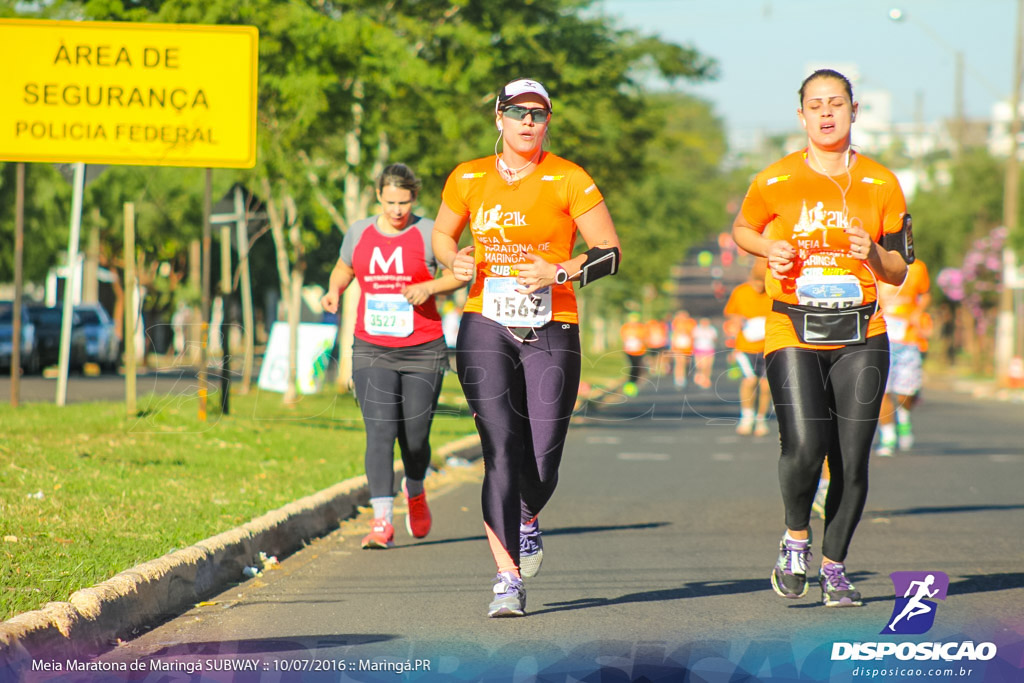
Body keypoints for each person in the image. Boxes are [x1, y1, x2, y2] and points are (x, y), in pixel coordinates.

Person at [432, 77, 622, 617]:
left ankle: (528, 516)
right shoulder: (468, 177)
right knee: (499, 449)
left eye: (539, 114)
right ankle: (506, 579)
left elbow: (610, 253)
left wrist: (560, 269)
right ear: (499, 117)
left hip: (552, 324)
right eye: (518, 113)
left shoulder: (570, 178)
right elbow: (443, 237)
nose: (529, 123)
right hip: (484, 321)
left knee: (541, 460)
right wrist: (454, 261)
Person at [731, 69, 911, 608]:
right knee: (806, 446)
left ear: (855, 111)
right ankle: (795, 540)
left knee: (852, 460)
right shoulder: (776, 179)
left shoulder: (882, 182)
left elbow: (900, 269)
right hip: (792, 324)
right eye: (816, 105)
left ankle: (834, 568)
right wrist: (768, 249)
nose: (827, 113)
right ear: (802, 115)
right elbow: (743, 228)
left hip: (861, 331)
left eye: (837, 103)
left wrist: (871, 253)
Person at [320, 163, 464, 550]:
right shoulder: (359, 232)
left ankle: (414, 489)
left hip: (422, 348)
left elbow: (462, 273)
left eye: (404, 202)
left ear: (414, 198)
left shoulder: (429, 231)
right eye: (389, 202)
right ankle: (381, 520)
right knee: (380, 432)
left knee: (415, 439)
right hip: (372, 347)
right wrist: (335, 290)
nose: (397, 210)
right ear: (378, 197)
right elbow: (343, 268)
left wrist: (430, 287)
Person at [875, 258, 931, 456]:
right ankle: (888, 436)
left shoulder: (917, 268)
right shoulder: (874, 262)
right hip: (879, 337)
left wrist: (918, 312)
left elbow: (925, 294)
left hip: (908, 337)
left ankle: (904, 415)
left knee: (905, 392)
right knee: (882, 390)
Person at [723, 257, 773, 436]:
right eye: (756, 282)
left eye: (762, 282)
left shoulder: (773, 292)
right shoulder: (741, 292)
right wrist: (738, 322)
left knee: (767, 385)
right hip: (746, 345)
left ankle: (761, 419)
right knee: (750, 380)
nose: (759, 286)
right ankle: (747, 416)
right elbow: (731, 314)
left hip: (769, 346)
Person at [620, 312, 648, 396]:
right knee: (632, 366)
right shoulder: (626, 327)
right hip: (629, 350)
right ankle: (630, 384)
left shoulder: (641, 328)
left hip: (639, 351)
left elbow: (645, 338)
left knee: (638, 367)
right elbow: (624, 338)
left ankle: (633, 383)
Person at [669, 309, 695, 389]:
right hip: (678, 346)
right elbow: (673, 334)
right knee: (678, 362)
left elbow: (692, 334)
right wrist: (672, 346)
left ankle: (683, 376)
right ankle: (679, 379)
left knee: (684, 363)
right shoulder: (675, 323)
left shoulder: (691, 323)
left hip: (687, 347)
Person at [691, 317, 718, 389]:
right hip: (699, 349)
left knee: (708, 366)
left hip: (709, 349)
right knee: (702, 366)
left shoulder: (711, 329)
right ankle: (702, 378)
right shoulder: (697, 329)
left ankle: (707, 379)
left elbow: (715, 339)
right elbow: (693, 338)